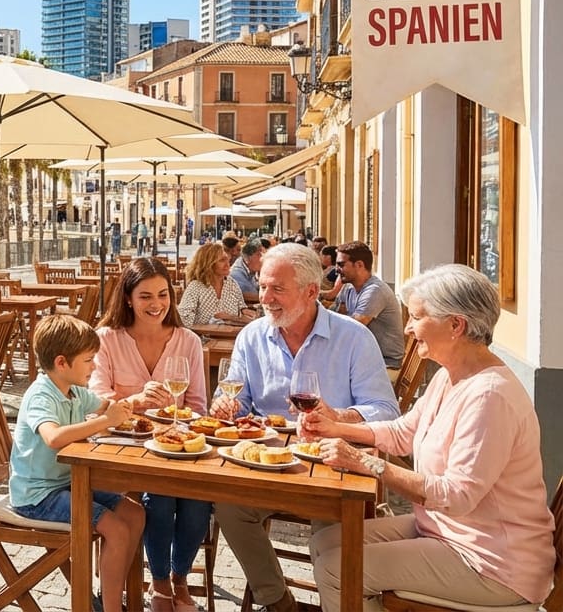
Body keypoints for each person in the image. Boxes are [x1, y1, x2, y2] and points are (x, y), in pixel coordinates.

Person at [303, 264, 554, 612]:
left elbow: (457, 496)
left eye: (417, 317)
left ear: (456, 325)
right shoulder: (451, 376)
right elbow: (404, 434)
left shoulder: (489, 396)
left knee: (337, 568)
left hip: (492, 562)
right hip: (448, 532)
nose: (407, 327)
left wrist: (364, 461)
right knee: (325, 542)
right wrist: (335, 426)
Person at [210, 243, 400, 612]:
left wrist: (339, 417)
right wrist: (227, 405)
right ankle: (278, 601)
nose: (265, 297)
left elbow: (385, 411)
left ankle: (334, 600)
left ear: (312, 291)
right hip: (269, 461)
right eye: (263, 286)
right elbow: (238, 397)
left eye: (277, 289)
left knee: (331, 529)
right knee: (229, 505)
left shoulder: (354, 338)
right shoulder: (252, 336)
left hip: (331, 466)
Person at [91, 259, 210, 612]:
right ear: (128, 298)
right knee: (158, 499)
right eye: (145, 296)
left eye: (163, 294)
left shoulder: (187, 340)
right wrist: (134, 401)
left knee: (198, 501)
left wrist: (180, 426)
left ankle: (179, 578)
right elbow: (95, 402)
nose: (156, 304)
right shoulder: (107, 339)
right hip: (125, 452)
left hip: (177, 448)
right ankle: (159, 584)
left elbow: (198, 406)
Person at [11, 314, 144, 612]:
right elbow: (54, 437)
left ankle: (110, 593)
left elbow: (109, 408)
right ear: (61, 362)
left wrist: (132, 405)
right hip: (37, 496)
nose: (95, 366)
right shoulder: (41, 395)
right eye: (88, 360)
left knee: (135, 514)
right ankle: (110, 609)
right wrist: (102, 423)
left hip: (68, 484)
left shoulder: (73, 391)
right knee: (117, 529)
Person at [333, 241, 405, 373]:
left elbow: (353, 328)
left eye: (341, 265)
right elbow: (338, 317)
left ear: (359, 264)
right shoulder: (348, 287)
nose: (336, 269)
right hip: (363, 359)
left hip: (385, 364)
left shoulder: (375, 291)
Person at [177, 242, 256, 326]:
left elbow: (242, 309)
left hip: (231, 336)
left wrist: (237, 316)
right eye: (222, 260)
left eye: (227, 259)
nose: (227, 264)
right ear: (208, 264)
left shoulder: (232, 284)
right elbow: (184, 321)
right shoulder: (195, 287)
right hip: (203, 337)